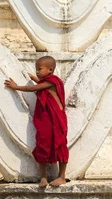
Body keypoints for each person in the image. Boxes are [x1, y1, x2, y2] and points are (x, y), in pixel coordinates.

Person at [5, 56, 69, 187]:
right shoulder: (47, 81)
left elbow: (33, 88)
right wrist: (32, 78)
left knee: (60, 146)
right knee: (42, 145)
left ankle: (62, 177)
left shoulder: (53, 81)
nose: (37, 72)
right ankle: (43, 178)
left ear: (50, 70)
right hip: (45, 121)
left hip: (56, 120)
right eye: (36, 69)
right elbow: (40, 83)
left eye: (39, 69)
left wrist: (15, 87)